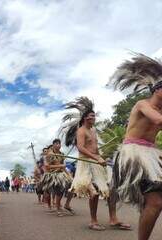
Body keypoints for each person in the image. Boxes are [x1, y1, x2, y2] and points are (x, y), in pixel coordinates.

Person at [109, 53, 162, 240]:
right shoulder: (142, 104)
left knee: (154, 202)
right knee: (155, 202)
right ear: (157, 89)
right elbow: (156, 119)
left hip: (153, 155)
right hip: (133, 154)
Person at [60, 96, 130, 231]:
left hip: (97, 162)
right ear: (86, 118)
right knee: (94, 193)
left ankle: (113, 219)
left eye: (94, 116)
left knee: (111, 190)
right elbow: (81, 148)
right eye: (92, 116)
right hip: (85, 164)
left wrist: (102, 157)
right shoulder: (81, 131)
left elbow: (95, 148)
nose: (94, 118)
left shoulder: (93, 130)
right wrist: (95, 158)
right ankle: (93, 221)